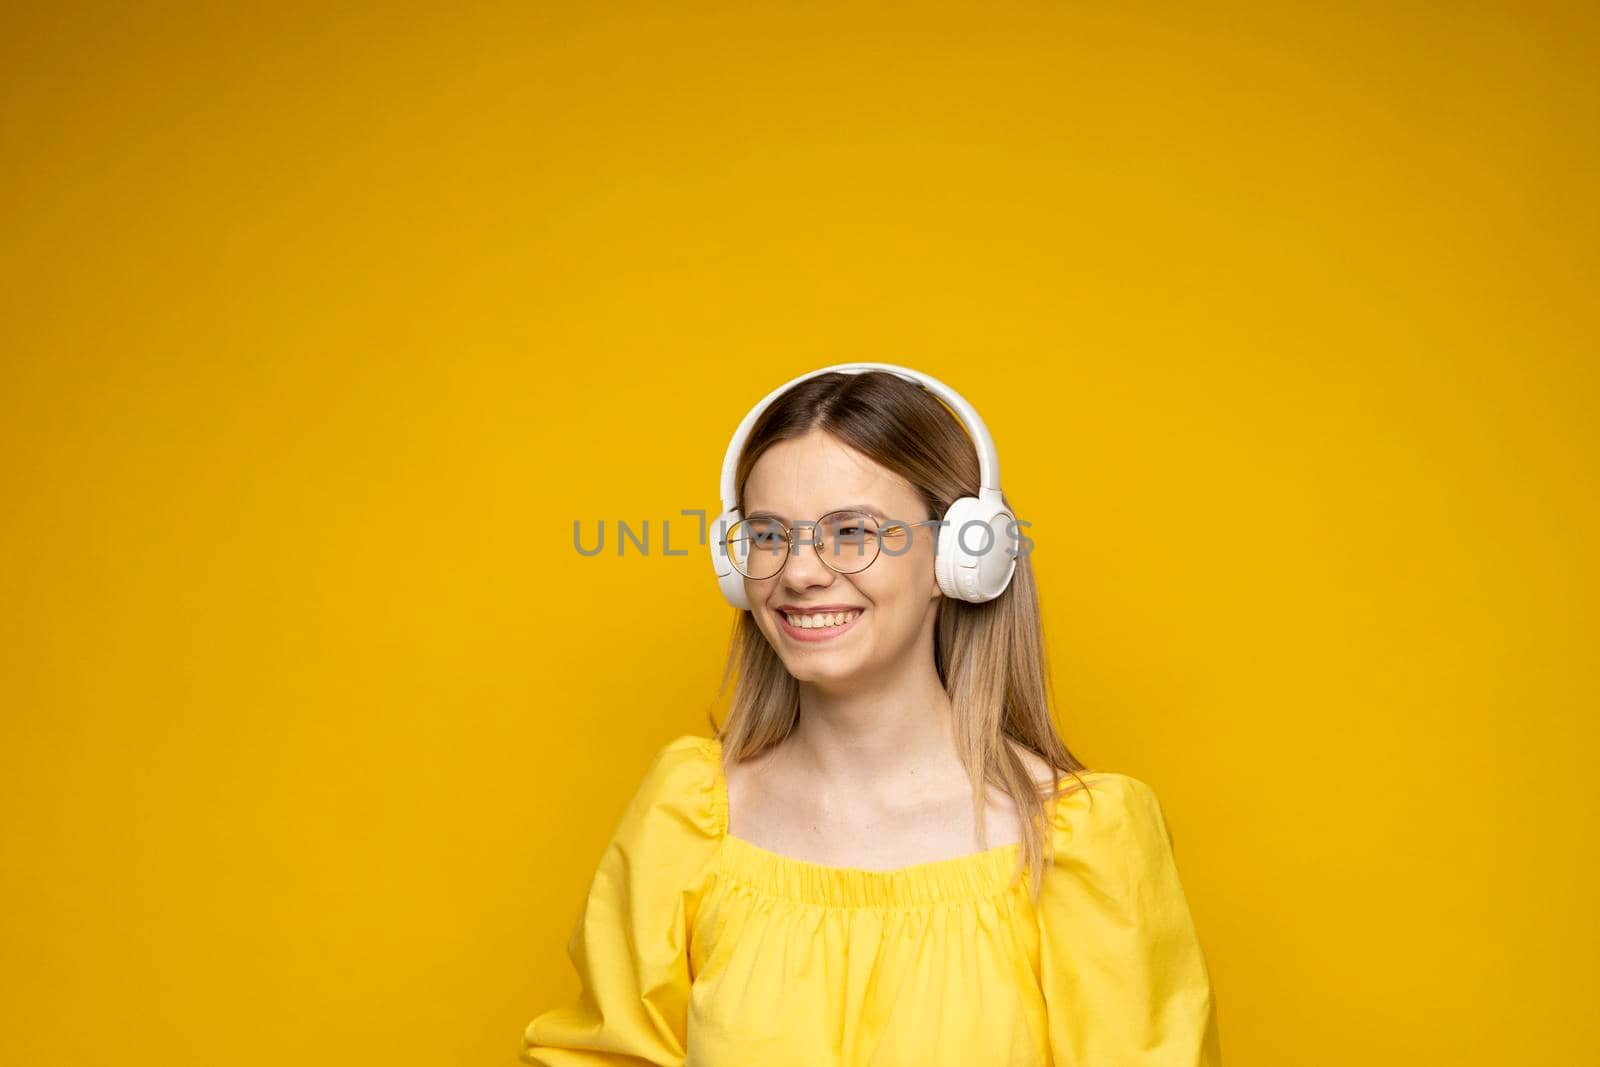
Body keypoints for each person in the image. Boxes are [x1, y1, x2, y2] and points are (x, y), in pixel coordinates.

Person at [521, 365, 1221, 1065]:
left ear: (961, 556)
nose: (799, 572)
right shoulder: (688, 818)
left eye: (852, 531)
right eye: (768, 535)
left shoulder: (1080, 843)